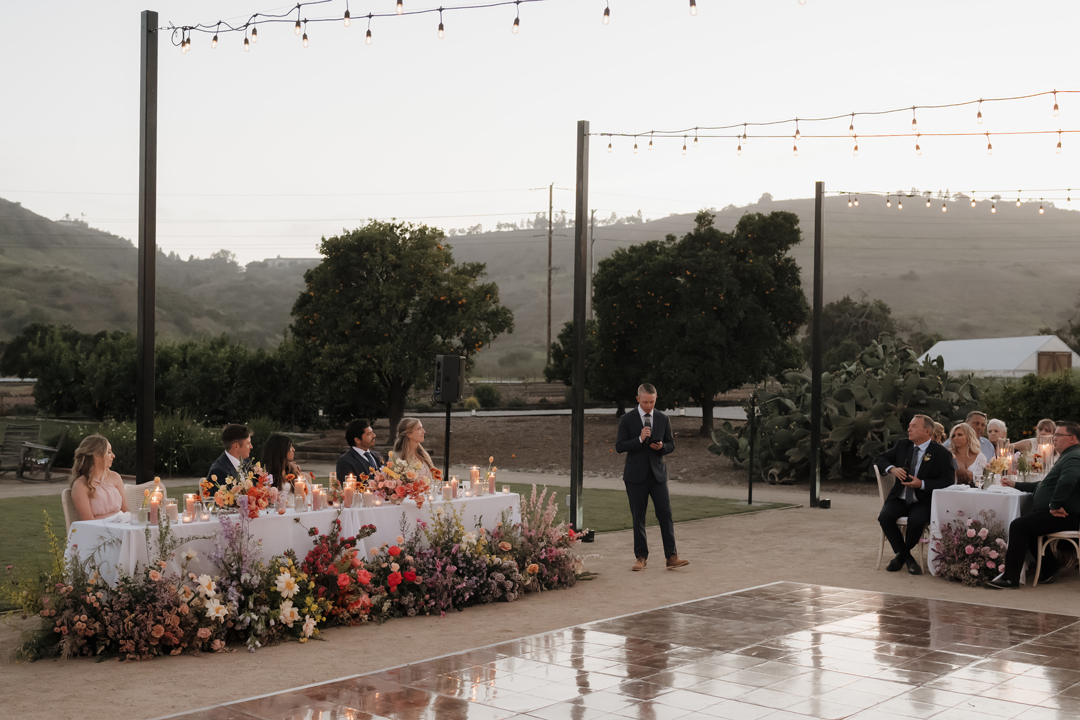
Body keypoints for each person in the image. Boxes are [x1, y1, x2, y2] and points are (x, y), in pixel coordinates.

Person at [988, 421, 1080, 589]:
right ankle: (1051, 567)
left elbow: (1068, 481)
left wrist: (1054, 505)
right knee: (1027, 523)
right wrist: (1016, 485)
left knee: (1019, 526)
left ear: (1072, 438)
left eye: (1059, 435)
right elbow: (1044, 485)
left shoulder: (1074, 456)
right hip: (1061, 512)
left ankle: (1010, 578)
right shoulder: (1069, 455)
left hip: (1068, 514)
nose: (1054, 439)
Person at [615, 383, 689, 572]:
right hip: (635, 476)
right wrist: (639, 439)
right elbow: (619, 446)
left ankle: (671, 556)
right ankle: (641, 557)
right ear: (638, 399)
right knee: (638, 516)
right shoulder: (627, 419)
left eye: (653, 402)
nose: (649, 405)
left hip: (658, 475)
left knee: (665, 514)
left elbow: (671, 444)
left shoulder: (663, 418)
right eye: (646, 402)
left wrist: (662, 447)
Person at [875, 414, 955, 575]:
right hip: (900, 497)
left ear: (926, 431)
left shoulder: (941, 453)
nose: (908, 429)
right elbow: (879, 458)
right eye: (909, 425)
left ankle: (901, 557)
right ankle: (907, 557)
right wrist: (892, 468)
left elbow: (947, 481)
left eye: (913, 426)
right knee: (884, 517)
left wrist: (922, 484)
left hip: (922, 500)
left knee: (917, 521)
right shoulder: (903, 445)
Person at [69, 434, 128, 521]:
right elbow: (88, 521)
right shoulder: (80, 485)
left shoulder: (115, 477)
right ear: (96, 455)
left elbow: (126, 511)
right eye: (109, 452)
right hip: (99, 531)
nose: (113, 456)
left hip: (122, 527)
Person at [205, 424, 253, 489]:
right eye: (248, 443)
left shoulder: (246, 462)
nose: (251, 447)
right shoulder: (218, 471)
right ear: (236, 446)